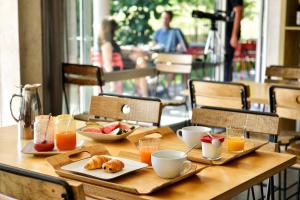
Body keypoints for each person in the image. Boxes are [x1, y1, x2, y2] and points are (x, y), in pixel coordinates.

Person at [99, 17, 148, 96]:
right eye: (115, 28)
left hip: (123, 64)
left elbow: (118, 51)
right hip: (119, 70)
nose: (115, 31)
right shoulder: (107, 44)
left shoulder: (109, 41)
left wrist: (131, 49)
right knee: (142, 65)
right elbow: (107, 63)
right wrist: (112, 82)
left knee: (141, 61)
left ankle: (141, 92)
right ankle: (144, 94)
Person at [224, 0, 243, 81]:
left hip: (229, 34)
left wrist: (234, 35)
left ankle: (226, 89)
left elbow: (238, 11)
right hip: (225, 33)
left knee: (227, 64)